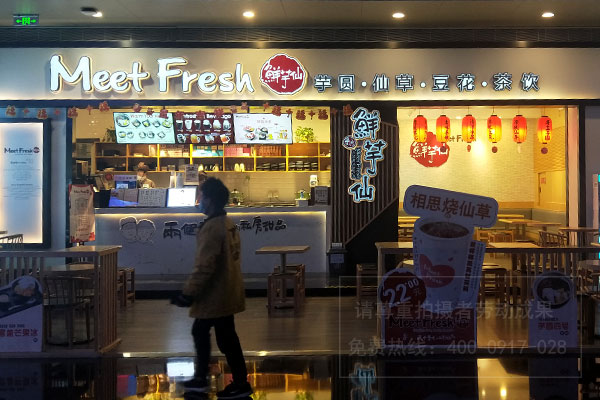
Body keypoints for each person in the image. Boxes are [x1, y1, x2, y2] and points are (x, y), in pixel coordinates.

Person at [172, 178, 252, 399]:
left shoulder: (212, 228)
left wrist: (188, 293)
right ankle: (225, 380)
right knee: (223, 336)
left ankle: (223, 381)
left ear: (210, 200)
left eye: (202, 196)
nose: (199, 200)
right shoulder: (228, 223)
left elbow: (204, 266)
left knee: (211, 334)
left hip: (214, 295)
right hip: (227, 289)